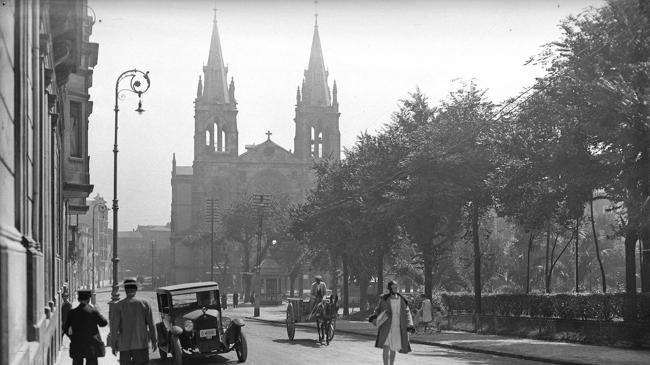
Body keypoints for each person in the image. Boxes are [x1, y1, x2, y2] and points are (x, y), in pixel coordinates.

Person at [111, 278, 157, 365]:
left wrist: (114, 345)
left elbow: (114, 328)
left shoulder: (118, 306)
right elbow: (151, 325)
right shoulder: (145, 303)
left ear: (125, 290)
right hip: (141, 344)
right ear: (136, 289)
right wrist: (154, 340)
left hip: (124, 346)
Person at [369, 281, 414, 365]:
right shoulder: (384, 299)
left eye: (396, 287)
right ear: (389, 288)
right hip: (386, 327)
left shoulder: (402, 300)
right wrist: (374, 317)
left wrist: (410, 325)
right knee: (386, 347)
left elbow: (407, 313)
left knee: (393, 348)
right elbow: (378, 310)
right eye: (393, 288)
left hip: (397, 327)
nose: (395, 289)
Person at [63, 290, 108, 365]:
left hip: (76, 345)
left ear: (78, 300)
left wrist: (72, 337)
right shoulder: (93, 311)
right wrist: (96, 310)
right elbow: (104, 323)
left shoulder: (72, 313)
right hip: (91, 346)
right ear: (89, 299)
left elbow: (65, 329)